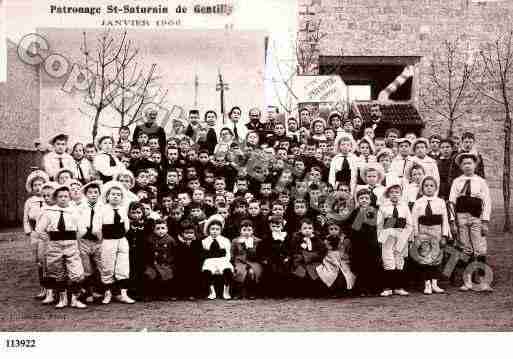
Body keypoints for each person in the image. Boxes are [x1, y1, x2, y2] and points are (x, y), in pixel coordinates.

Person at [35, 185, 87, 309]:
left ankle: (75, 299)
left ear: (70, 198)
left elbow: (82, 230)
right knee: (58, 272)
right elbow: (39, 229)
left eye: (66, 196)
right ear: (55, 198)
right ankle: (62, 299)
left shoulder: (74, 212)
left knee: (77, 272)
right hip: (54, 245)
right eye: (60, 196)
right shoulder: (49, 212)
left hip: (71, 244)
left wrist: (74, 239)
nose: (63, 199)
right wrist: (49, 239)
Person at [449, 152, 492, 292]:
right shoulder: (457, 181)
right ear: (461, 166)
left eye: (470, 163)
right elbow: (451, 202)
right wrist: (452, 221)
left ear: (475, 165)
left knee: (479, 248)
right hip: (461, 217)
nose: (467, 166)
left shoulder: (481, 181)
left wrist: (485, 221)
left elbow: (487, 202)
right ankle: (466, 280)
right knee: (465, 248)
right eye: (464, 163)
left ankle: (482, 280)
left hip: (476, 217)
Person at [96, 181, 135, 304]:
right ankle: (108, 293)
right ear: (107, 196)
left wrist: (121, 237)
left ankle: (123, 294)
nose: (115, 196)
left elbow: (127, 227)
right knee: (107, 267)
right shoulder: (102, 210)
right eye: (113, 194)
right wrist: (104, 239)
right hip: (108, 241)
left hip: (121, 240)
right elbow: (97, 228)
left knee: (123, 267)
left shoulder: (123, 209)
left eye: (118, 194)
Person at [411, 176, 449, 295]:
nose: (429, 188)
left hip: (436, 230)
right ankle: (427, 284)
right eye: (426, 186)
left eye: (431, 186)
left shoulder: (440, 202)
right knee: (425, 257)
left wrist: (444, 235)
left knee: (436, 257)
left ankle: (435, 283)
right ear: (422, 188)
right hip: (423, 231)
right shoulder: (418, 202)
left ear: (436, 188)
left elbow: (445, 219)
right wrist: (416, 235)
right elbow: (414, 220)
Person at [377, 182, 413, 297]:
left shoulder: (404, 207)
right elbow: (379, 224)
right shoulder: (383, 207)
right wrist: (380, 238)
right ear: (388, 194)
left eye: (397, 192)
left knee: (399, 260)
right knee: (388, 260)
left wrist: (407, 237)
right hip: (387, 236)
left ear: (401, 194)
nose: (394, 194)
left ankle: (398, 287)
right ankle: (388, 287)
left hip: (401, 235)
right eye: (392, 192)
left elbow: (409, 224)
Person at [345, 188, 381, 295]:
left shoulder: (374, 211)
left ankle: (373, 288)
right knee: (360, 267)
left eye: (366, 198)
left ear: (370, 200)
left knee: (372, 266)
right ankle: (361, 289)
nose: (364, 200)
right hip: (359, 244)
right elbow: (353, 228)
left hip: (371, 243)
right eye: (361, 198)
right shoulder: (355, 212)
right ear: (358, 200)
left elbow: (376, 226)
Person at [24, 170, 50, 299]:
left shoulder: (49, 199)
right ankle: (43, 288)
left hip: (47, 234)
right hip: (35, 233)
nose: (38, 187)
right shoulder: (30, 201)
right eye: (35, 185)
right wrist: (29, 232)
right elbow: (26, 219)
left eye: (41, 184)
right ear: (31, 187)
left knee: (49, 259)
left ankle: (53, 288)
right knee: (39, 261)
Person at [77, 180, 104, 303]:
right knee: (86, 267)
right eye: (90, 192)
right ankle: (88, 291)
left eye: (95, 192)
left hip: (98, 241)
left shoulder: (102, 207)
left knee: (100, 265)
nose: (93, 195)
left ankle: (99, 291)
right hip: (84, 240)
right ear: (85, 194)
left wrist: (100, 233)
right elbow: (78, 223)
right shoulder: (81, 208)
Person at [287, 218, 326, 297]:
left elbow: (321, 252)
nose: (307, 230)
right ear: (300, 230)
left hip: (314, 261)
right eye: (304, 228)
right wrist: (301, 256)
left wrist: (310, 256)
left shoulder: (317, 240)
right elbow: (293, 250)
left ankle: (315, 291)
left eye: (310, 228)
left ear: (313, 229)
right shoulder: (297, 239)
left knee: (315, 273)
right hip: (300, 261)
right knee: (300, 273)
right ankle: (301, 292)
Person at [200, 214, 233, 300]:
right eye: (212, 229)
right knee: (207, 271)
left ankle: (226, 291)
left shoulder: (225, 240)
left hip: (222, 260)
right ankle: (212, 291)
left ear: (221, 230)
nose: (214, 231)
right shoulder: (205, 241)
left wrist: (223, 264)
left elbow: (228, 254)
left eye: (217, 229)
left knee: (227, 270)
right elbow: (205, 255)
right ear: (209, 230)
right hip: (210, 261)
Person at [143, 220, 178, 300]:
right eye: (157, 228)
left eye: (163, 228)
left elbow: (174, 253)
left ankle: (164, 294)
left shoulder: (170, 240)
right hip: (153, 263)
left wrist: (170, 262)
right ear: (154, 230)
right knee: (150, 275)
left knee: (166, 276)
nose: (160, 231)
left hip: (165, 263)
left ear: (167, 229)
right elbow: (147, 253)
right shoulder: (150, 239)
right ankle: (150, 294)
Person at [231, 219, 265, 299]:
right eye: (244, 230)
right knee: (240, 272)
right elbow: (232, 253)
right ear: (240, 231)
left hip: (253, 261)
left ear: (253, 231)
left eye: (249, 230)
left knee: (252, 272)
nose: (247, 232)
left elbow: (258, 254)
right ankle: (238, 292)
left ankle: (251, 291)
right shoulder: (236, 241)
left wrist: (250, 248)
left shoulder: (257, 241)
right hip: (240, 261)